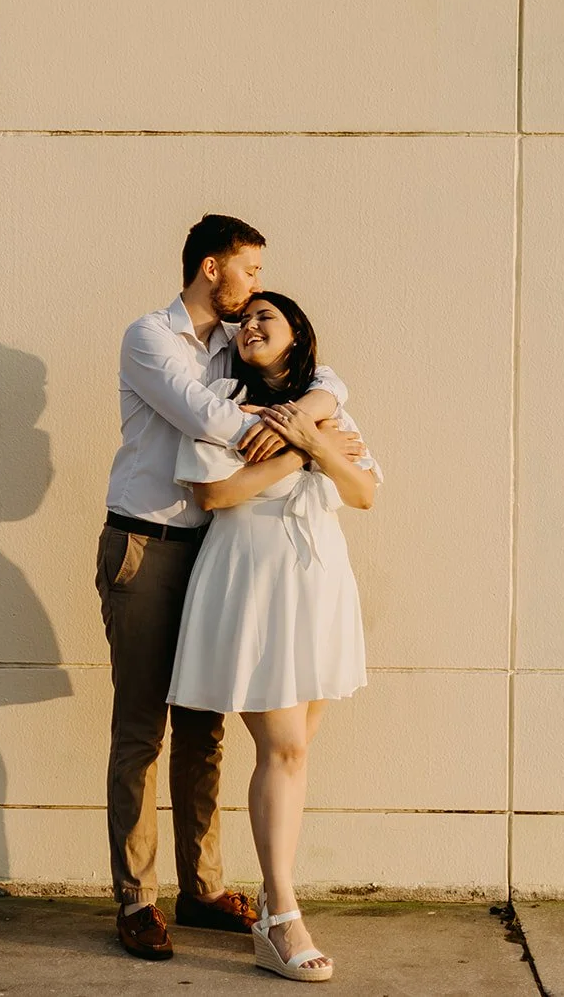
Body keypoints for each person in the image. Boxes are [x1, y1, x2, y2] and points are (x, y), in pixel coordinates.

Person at [97, 215, 363, 961]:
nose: (255, 286)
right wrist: (307, 436)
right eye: (249, 269)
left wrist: (308, 409)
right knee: (143, 725)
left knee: (206, 725)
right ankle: (137, 898)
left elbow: (328, 380)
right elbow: (210, 418)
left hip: (217, 553)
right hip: (147, 544)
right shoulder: (151, 337)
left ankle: (202, 888)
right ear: (212, 267)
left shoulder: (231, 342)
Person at [169, 291, 380, 983]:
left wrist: (313, 437)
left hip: (315, 585)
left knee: (293, 752)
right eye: (245, 317)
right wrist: (302, 452)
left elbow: (366, 491)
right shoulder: (217, 399)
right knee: (284, 748)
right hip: (250, 584)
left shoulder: (327, 402)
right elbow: (215, 494)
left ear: (298, 335)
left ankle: (270, 895)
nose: (251, 323)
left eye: (268, 316)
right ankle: (282, 914)